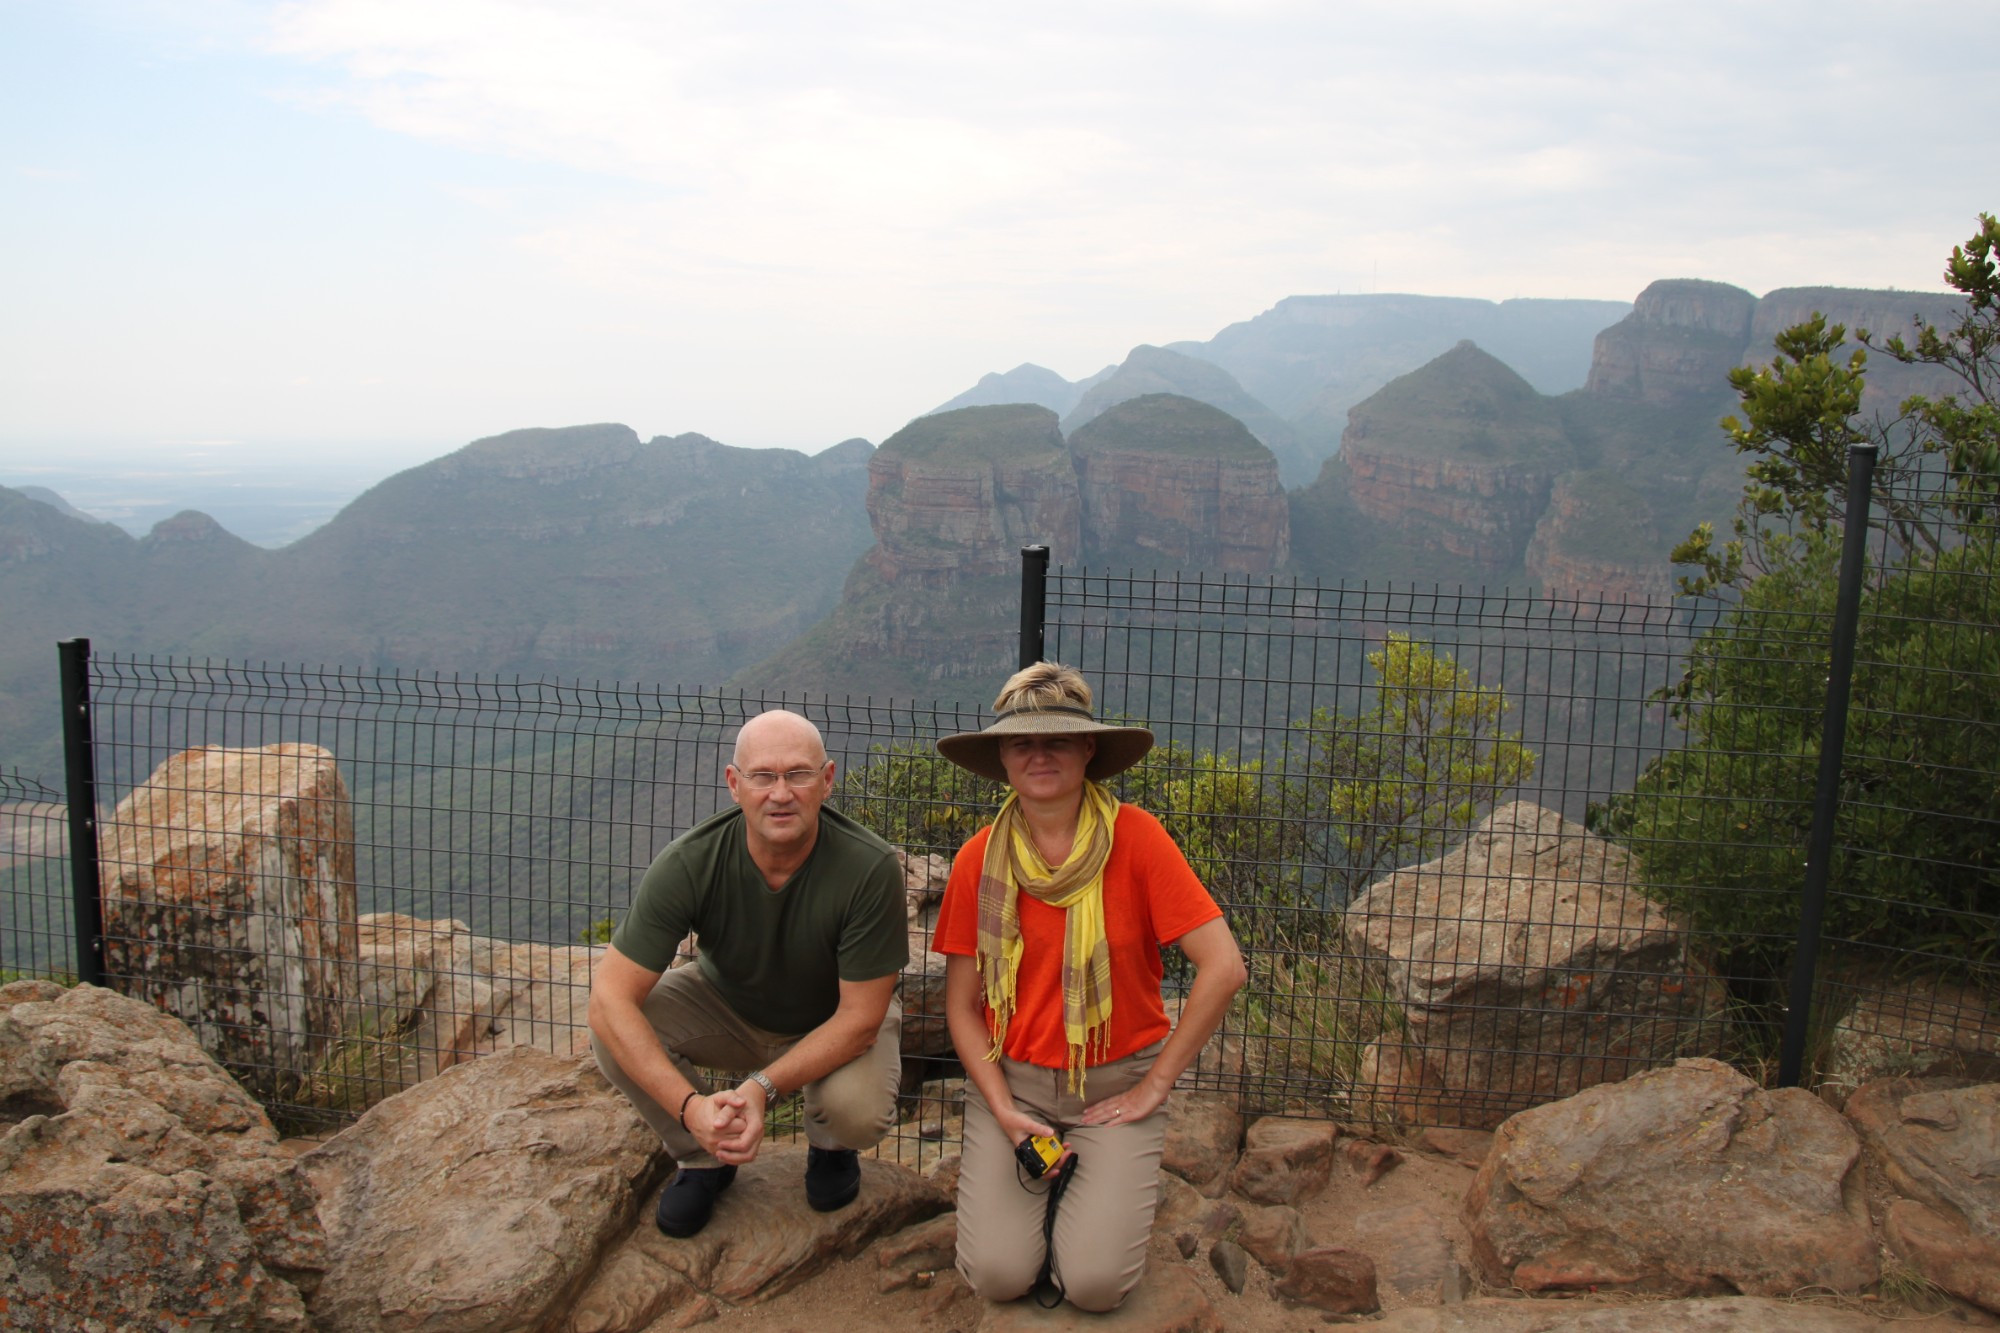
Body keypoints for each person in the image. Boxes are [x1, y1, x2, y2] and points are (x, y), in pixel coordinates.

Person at [932, 662, 1248, 1311]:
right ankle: (1051, 1195)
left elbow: (1224, 966)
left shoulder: (1139, 840)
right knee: (997, 1275)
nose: (1039, 754)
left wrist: (1154, 1084)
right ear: (1002, 756)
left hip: (1114, 1088)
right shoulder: (978, 859)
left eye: (1057, 740)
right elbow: (962, 1007)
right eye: (1023, 741)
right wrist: (1001, 1108)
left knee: (1095, 1286)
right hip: (1012, 1086)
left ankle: (1090, 1188)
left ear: (1088, 749)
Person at [588, 709, 907, 1238]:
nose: (780, 793)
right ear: (734, 785)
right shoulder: (690, 863)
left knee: (858, 1111)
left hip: (831, 1018)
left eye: (798, 774)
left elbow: (859, 1019)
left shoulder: (867, 868)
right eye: (763, 776)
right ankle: (702, 1156)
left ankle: (831, 1145)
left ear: (827, 781)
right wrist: (691, 1109)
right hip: (725, 1004)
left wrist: (759, 1090)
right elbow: (611, 997)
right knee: (613, 1030)